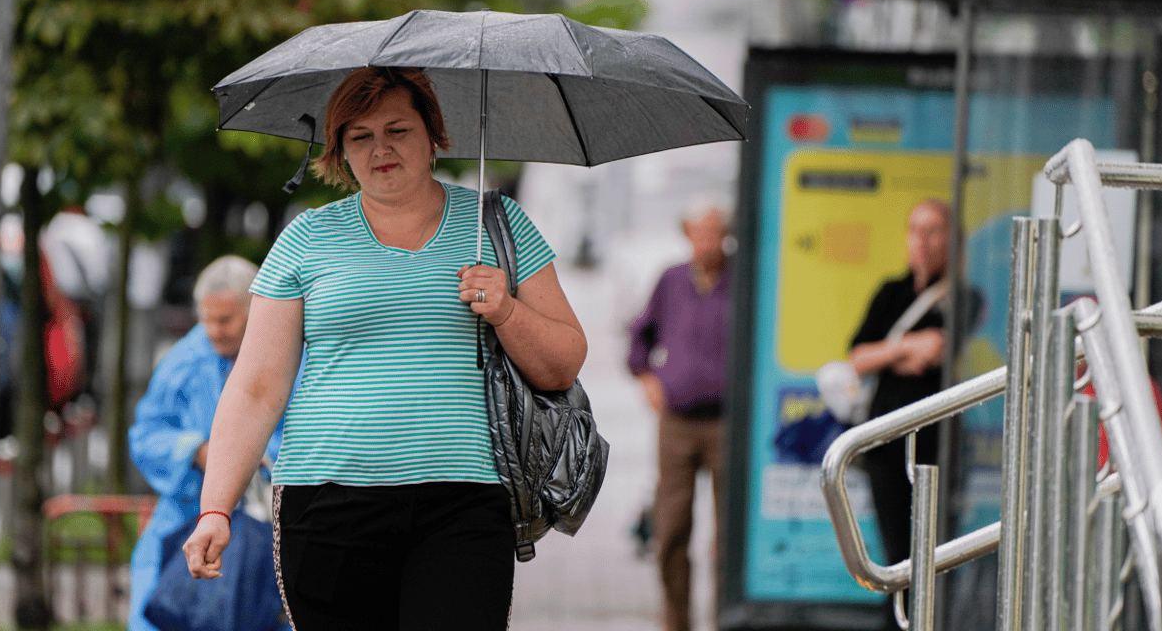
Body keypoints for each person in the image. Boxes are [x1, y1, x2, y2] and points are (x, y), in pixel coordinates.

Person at [181, 66, 588, 630]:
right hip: (326, 503)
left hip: (463, 502)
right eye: (360, 136)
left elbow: (563, 362)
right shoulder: (306, 240)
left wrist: (507, 310)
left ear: (433, 135)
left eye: (397, 130)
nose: (380, 150)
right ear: (340, 151)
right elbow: (255, 388)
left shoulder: (497, 226)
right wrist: (215, 509)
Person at [127, 255, 286, 631]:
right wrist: (195, 450)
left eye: (225, 320)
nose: (213, 331)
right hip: (183, 522)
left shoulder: (289, 353)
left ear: (255, 310)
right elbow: (146, 436)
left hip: (271, 526)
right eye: (205, 319)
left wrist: (252, 458)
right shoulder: (184, 360)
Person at [847, 199, 978, 616]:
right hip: (885, 443)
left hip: (934, 446)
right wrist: (904, 346)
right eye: (914, 229)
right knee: (895, 555)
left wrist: (888, 352)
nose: (921, 241)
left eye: (933, 230)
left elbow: (936, 351)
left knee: (931, 553)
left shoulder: (963, 297)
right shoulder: (890, 292)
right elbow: (856, 357)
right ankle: (899, 621)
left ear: (951, 240)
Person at [626, 198, 731, 631]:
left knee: (727, 535)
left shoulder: (743, 277)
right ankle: (676, 620)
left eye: (714, 232)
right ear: (687, 235)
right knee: (671, 528)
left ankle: (726, 616)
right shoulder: (670, 279)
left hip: (727, 423)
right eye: (698, 232)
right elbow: (638, 337)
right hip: (677, 423)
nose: (706, 241)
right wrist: (646, 379)